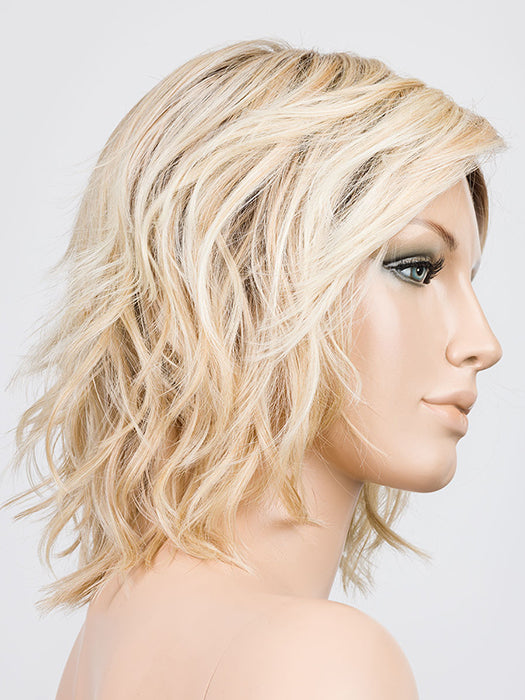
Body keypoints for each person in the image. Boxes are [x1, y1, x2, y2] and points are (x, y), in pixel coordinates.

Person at [2, 38, 506, 698]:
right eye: (416, 268)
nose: (482, 343)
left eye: (469, 279)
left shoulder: (117, 621)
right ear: (253, 284)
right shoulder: (318, 660)